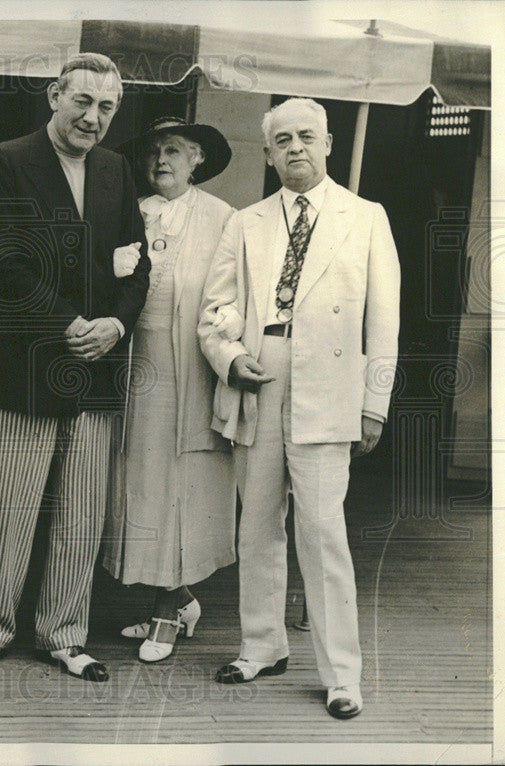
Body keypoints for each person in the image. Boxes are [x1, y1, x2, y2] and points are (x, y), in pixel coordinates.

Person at [198, 98, 400, 719]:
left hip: (331, 385)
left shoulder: (365, 217)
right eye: (281, 139)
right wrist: (229, 357)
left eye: (306, 137)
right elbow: (216, 308)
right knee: (256, 524)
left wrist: (375, 402)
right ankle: (262, 646)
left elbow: (384, 323)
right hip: (261, 375)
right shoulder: (246, 221)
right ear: (267, 152)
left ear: (330, 143)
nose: (295, 148)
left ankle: (343, 674)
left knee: (321, 530)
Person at [0, 53, 150, 683]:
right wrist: (68, 323)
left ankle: (64, 635)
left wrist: (116, 325)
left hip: (96, 371)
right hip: (29, 368)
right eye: (82, 102)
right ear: (54, 96)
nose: (92, 118)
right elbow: (2, 263)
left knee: (81, 512)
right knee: (10, 509)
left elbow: (135, 262)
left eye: (106, 108)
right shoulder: (8, 159)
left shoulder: (116, 170)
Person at [101, 117, 237, 663]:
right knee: (140, 484)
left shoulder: (225, 219)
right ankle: (176, 598)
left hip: (192, 368)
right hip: (135, 367)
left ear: (197, 157)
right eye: (154, 151)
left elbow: (233, 297)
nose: (163, 160)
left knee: (181, 488)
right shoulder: (130, 212)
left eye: (175, 150)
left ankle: (166, 610)